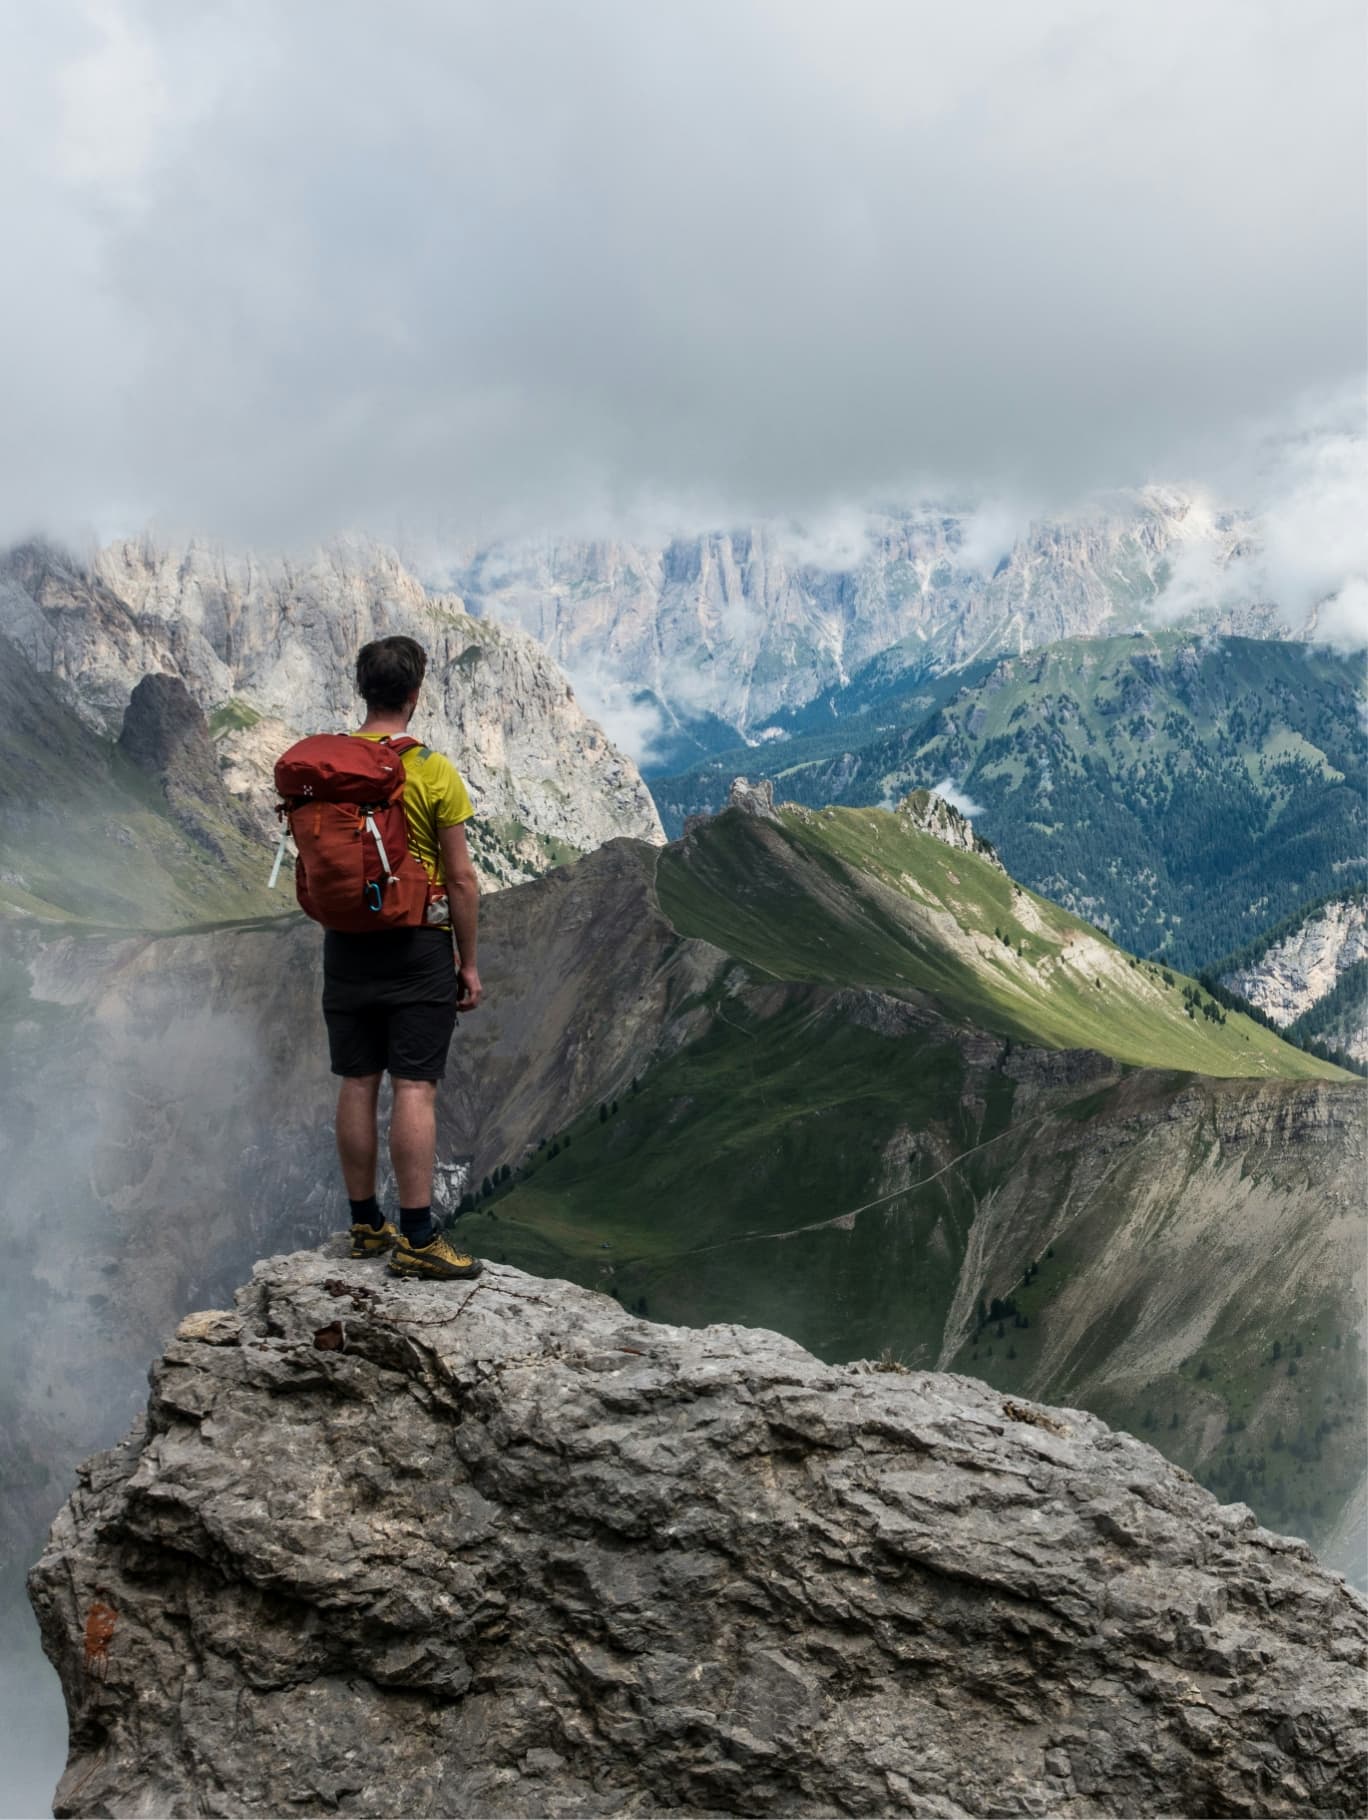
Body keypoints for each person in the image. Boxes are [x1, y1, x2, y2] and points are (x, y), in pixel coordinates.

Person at [323, 635, 484, 1281]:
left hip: (345, 946)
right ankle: (417, 1236)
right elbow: (463, 879)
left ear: (362, 689)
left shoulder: (327, 767)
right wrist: (467, 965)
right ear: (415, 694)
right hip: (417, 943)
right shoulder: (433, 770)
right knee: (414, 1086)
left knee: (358, 1080)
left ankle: (365, 1226)